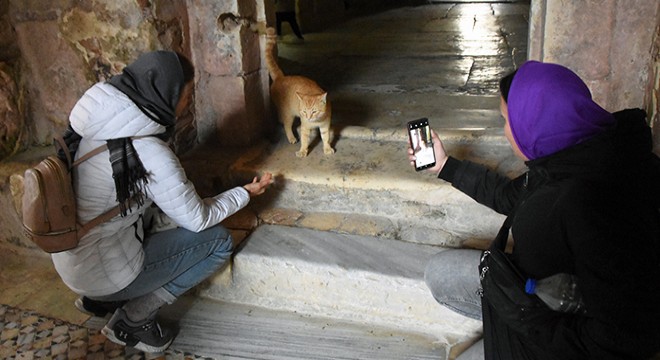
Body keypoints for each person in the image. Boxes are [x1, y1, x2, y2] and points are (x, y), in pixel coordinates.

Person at [409, 60, 660, 359]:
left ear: (531, 125)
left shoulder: (587, 206)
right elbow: (508, 196)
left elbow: (624, 338)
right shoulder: (576, 152)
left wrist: (530, 325)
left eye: (506, 120)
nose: (504, 132)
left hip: (558, 334)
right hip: (541, 299)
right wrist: (446, 166)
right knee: (441, 273)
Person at [51, 50, 273, 353]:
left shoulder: (96, 125)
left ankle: (101, 300)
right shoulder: (148, 151)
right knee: (217, 242)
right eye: (186, 94)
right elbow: (197, 219)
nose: (188, 102)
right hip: (104, 270)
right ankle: (133, 319)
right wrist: (245, 194)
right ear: (166, 94)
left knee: (158, 221)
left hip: (75, 263)